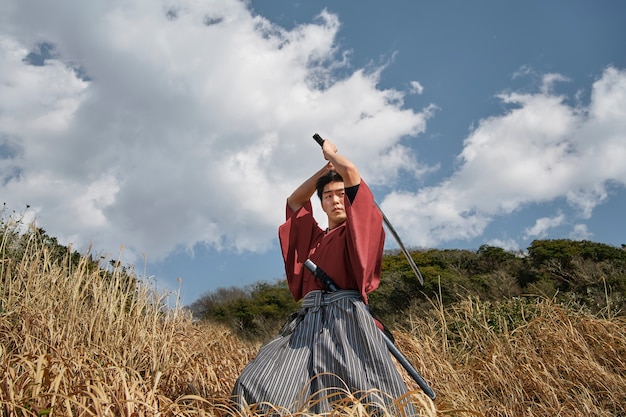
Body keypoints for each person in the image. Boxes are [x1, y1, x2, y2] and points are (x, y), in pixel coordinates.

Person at [231, 137, 417, 415]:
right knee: (255, 383)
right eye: (328, 195)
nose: (335, 200)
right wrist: (323, 172)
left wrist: (332, 155)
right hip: (307, 325)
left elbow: (352, 174)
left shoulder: (357, 232)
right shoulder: (314, 240)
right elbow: (294, 201)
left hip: (347, 321)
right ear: (321, 203)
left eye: (342, 194)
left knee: (363, 398)